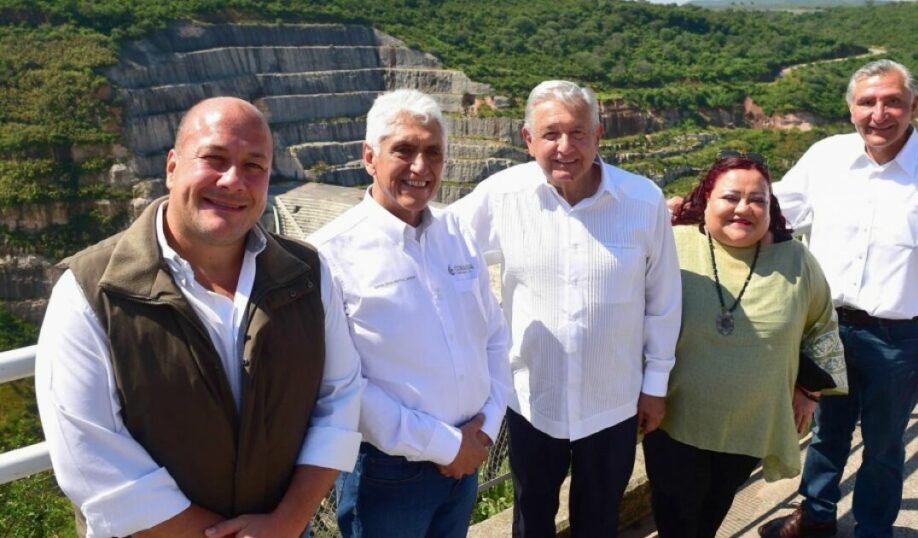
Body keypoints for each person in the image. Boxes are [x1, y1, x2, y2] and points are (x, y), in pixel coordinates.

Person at [34, 97, 364, 538]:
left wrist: (286, 522)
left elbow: (339, 401)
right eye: (214, 158)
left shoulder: (309, 274)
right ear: (172, 165)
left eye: (254, 166)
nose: (233, 181)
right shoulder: (88, 291)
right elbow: (90, 461)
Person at [758, 60, 918, 538]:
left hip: (902, 337)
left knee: (883, 445)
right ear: (850, 108)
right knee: (826, 432)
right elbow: (775, 210)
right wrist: (697, 206)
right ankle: (817, 515)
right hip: (829, 327)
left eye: (892, 101)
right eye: (867, 102)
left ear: (913, 106)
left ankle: (873, 529)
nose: (879, 113)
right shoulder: (827, 157)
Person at [450, 80, 682, 538]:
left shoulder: (643, 200)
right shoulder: (502, 196)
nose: (565, 147)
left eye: (578, 133)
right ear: (527, 139)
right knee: (532, 519)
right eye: (551, 134)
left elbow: (663, 300)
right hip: (534, 399)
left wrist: (655, 385)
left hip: (612, 402)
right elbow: (441, 248)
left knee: (598, 522)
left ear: (599, 136)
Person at [306, 89, 512, 538]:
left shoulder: (456, 232)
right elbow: (343, 383)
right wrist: (445, 446)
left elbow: (495, 336)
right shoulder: (329, 253)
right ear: (369, 157)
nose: (421, 167)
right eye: (404, 150)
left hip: (469, 457)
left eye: (433, 152)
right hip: (389, 473)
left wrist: (485, 430)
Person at [647, 153, 847, 538]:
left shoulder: (795, 260)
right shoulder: (671, 244)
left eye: (757, 200)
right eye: (730, 197)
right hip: (674, 418)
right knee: (676, 517)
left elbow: (821, 324)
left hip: (749, 423)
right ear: (706, 199)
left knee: (713, 510)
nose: (744, 208)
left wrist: (811, 390)